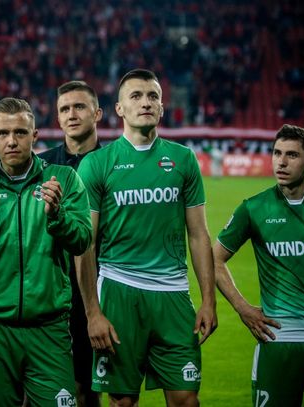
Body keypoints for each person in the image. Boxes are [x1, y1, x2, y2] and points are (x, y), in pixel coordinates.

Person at [76, 68, 217, 407]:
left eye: (153, 96)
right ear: (119, 109)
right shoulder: (97, 164)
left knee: (187, 400)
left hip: (173, 294)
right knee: (123, 402)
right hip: (119, 290)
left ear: (162, 107)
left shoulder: (183, 160)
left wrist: (209, 301)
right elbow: (85, 244)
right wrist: (93, 313)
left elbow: (199, 235)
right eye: (136, 96)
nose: (146, 102)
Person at [0, 97, 92, 406]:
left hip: (49, 330)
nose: (11, 141)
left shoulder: (63, 180)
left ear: (35, 135)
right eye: (2, 133)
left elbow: (82, 240)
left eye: (20, 132)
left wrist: (57, 216)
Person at [213, 124, 304, 407]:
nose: (281, 162)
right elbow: (214, 260)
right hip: (277, 339)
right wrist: (242, 308)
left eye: (292, 155)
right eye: (276, 153)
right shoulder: (253, 208)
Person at [38, 80, 103, 407]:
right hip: (47, 287)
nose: (72, 114)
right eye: (64, 109)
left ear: (97, 114)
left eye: (79, 107)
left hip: (96, 289)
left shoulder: (113, 162)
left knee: (86, 387)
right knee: (33, 387)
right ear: (57, 117)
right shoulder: (41, 165)